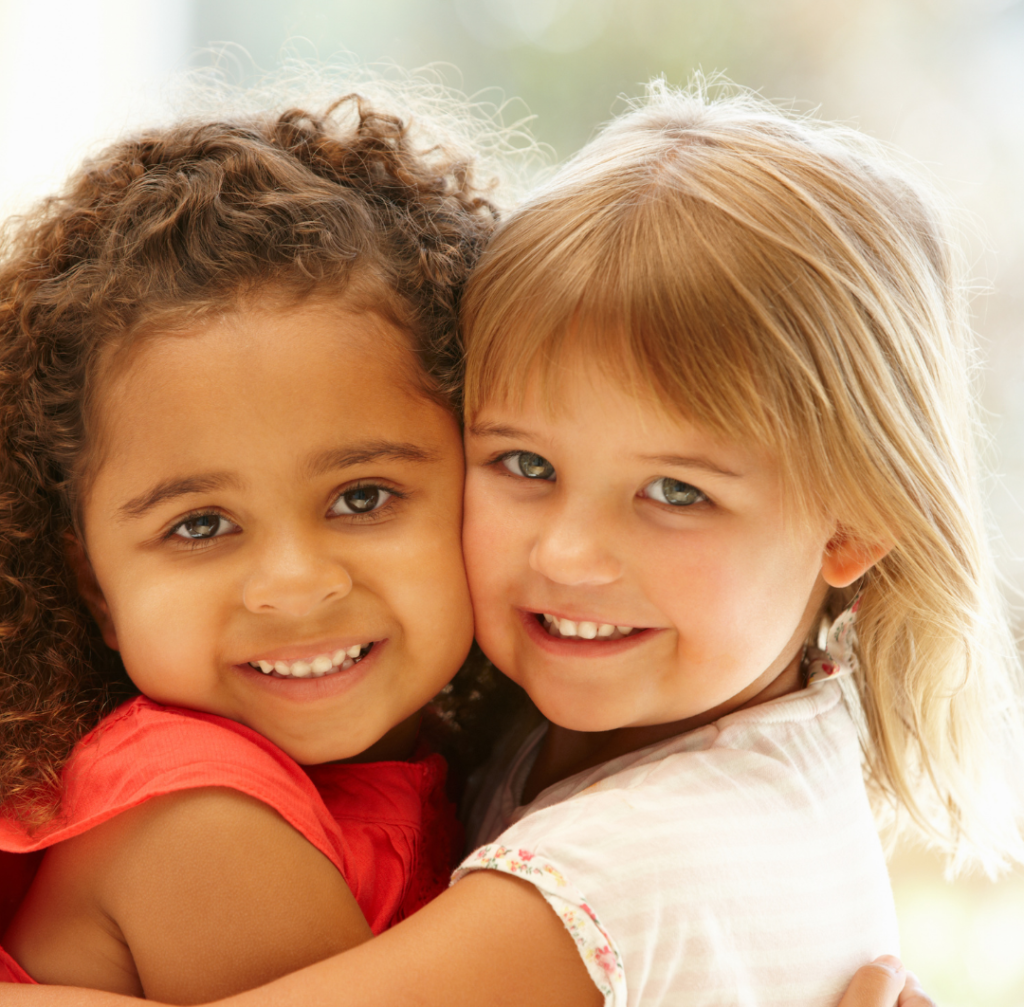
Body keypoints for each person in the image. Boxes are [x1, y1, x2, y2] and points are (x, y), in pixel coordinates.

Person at [3, 82, 977, 1007]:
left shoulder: (634, 858)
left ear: (849, 524)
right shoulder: (231, 810)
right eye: (524, 465)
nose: (568, 555)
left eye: (677, 491)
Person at [0, 93, 505, 1000]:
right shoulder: (199, 815)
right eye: (199, 525)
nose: (294, 584)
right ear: (96, 585)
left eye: (362, 497)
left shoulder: (449, 756)